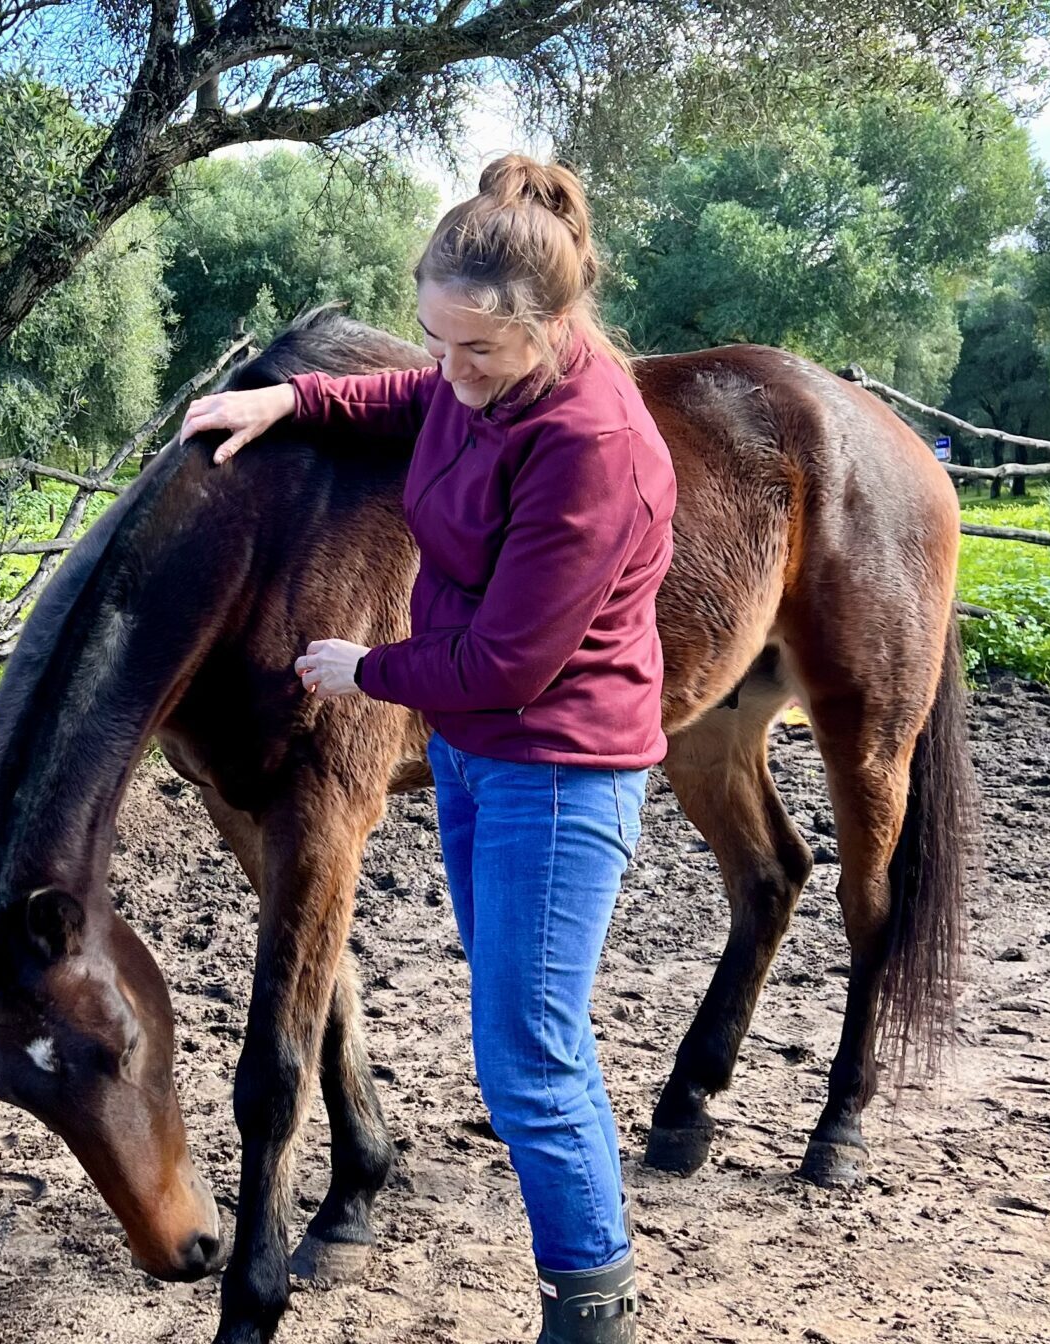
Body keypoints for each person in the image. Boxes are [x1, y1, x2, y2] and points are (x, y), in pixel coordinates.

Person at [178, 154, 676, 1344]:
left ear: (554, 327)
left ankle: (593, 1309)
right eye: (434, 340)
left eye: (475, 351)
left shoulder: (590, 447)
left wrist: (365, 673)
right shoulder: (476, 384)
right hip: (473, 751)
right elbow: (404, 403)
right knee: (516, 1035)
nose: (448, 372)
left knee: (528, 1061)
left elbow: (512, 661)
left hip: (555, 764)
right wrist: (288, 402)